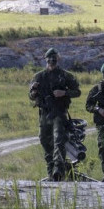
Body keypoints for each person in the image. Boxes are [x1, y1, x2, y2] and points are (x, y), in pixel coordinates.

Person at [28, 48, 81, 181]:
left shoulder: (65, 76)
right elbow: (31, 95)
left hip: (59, 112)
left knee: (59, 140)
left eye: (54, 59)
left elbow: (77, 92)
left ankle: (58, 170)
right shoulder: (39, 76)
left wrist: (64, 93)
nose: (52, 62)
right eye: (49, 59)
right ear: (46, 60)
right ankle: (51, 169)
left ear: (57, 60)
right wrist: (33, 92)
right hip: (45, 114)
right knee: (44, 140)